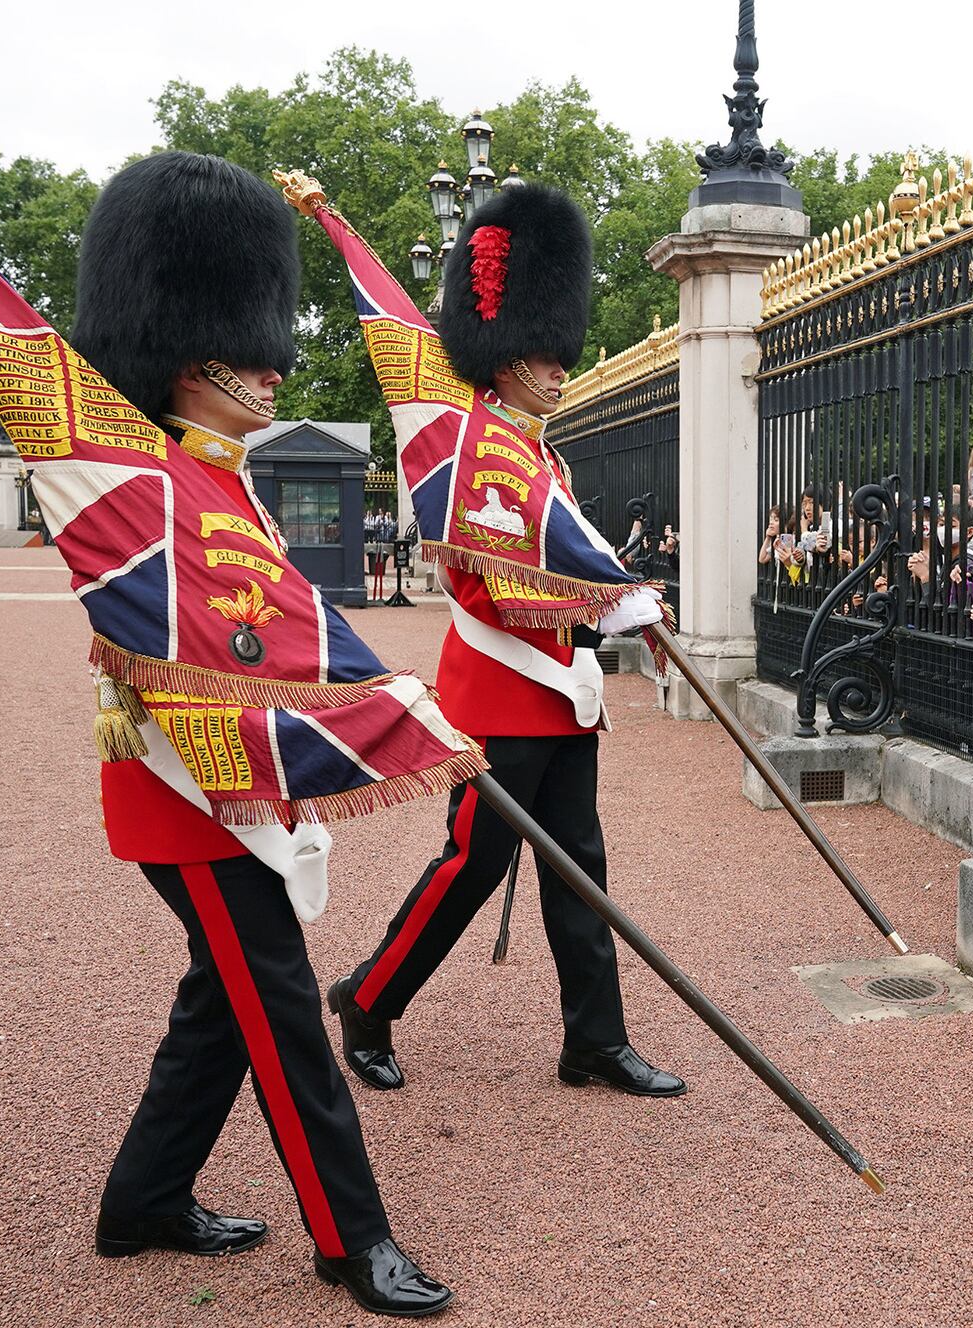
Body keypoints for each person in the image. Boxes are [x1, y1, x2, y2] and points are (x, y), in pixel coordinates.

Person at [0, 104, 472, 1317]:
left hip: (241, 778)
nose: (272, 367)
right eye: (250, 349)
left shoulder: (231, 483)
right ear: (185, 350)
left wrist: (395, 702)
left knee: (222, 1001)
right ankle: (352, 1235)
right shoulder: (122, 474)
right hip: (185, 788)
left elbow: (291, 634)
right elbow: (12, 340)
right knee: (280, 1008)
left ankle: (143, 1198)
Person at [296, 174, 687, 1104]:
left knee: (580, 870)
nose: (559, 370)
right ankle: (368, 999)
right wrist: (610, 601)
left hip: (562, 693)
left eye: (558, 354)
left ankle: (594, 1040)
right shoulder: (475, 449)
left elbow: (567, 552)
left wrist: (615, 606)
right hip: (501, 697)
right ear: (505, 357)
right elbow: (492, 573)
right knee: (472, 866)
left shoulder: (538, 451)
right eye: (545, 356)